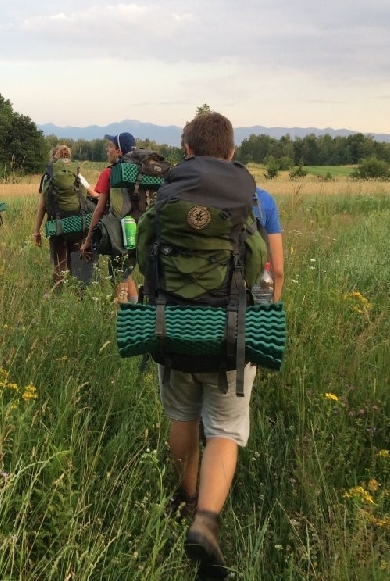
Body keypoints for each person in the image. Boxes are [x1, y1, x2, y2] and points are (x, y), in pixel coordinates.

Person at [146, 111, 263, 578]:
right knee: (225, 429)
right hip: (230, 333)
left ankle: (185, 495)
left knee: (182, 415)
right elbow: (254, 266)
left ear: (187, 150)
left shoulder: (167, 194)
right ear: (231, 153)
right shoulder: (251, 198)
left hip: (171, 327)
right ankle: (206, 523)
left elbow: (145, 253)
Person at [79, 131, 139, 303]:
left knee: (119, 277)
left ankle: (122, 321)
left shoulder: (110, 172)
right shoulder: (142, 171)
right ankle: (134, 313)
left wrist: (89, 239)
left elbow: (99, 209)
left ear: (119, 151)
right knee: (127, 273)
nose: (107, 149)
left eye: (111, 146)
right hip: (142, 230)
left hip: (120, 234)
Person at [33, 145, 97, 286]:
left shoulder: (48, 175)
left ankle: (58, 293)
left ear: (54, 157)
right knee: (76, 260)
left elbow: (43, 206)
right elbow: (93, 194)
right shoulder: (76, 174)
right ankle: (78, 294)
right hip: (78, 224)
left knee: (59, 264)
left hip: (58, 226)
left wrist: (36, 231)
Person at [254, 186, 284, 301]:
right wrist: (271, 308)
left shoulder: (195, 194)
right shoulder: (262, 198)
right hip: (252, 298)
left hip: (198, 302)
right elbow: (277, 271)